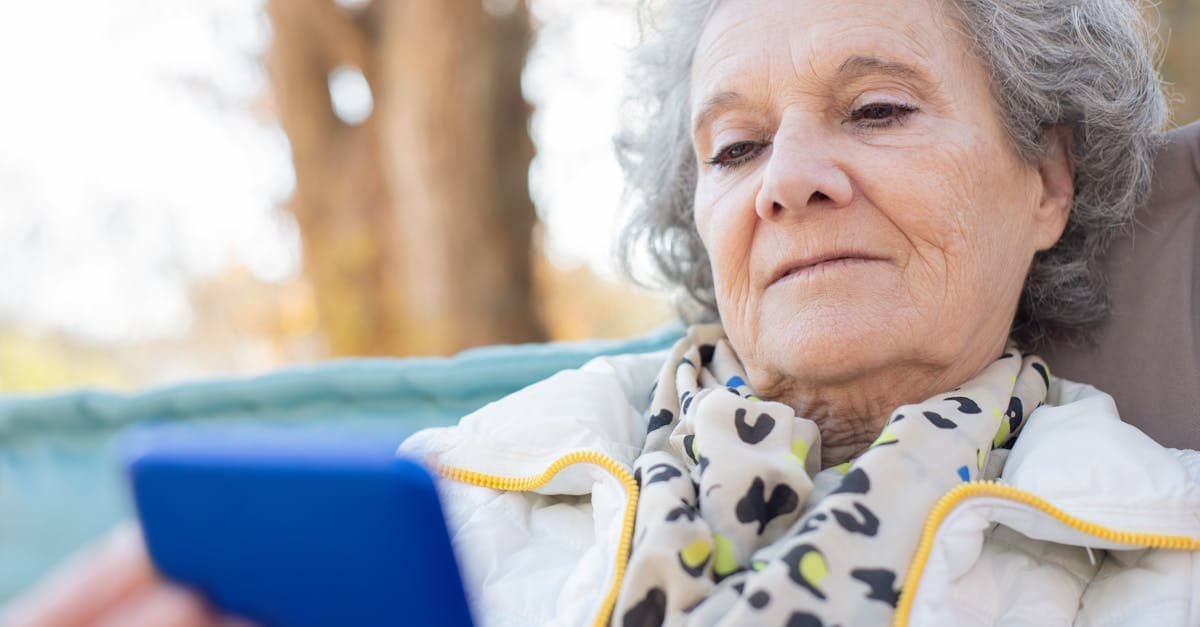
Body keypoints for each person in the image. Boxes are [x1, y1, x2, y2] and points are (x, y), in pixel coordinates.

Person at [5, 0, 1197, 625]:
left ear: (1048, 179)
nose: (789, 179)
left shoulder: (1166, 554)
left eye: (877, 110)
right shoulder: (461, 496)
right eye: (735, 146)